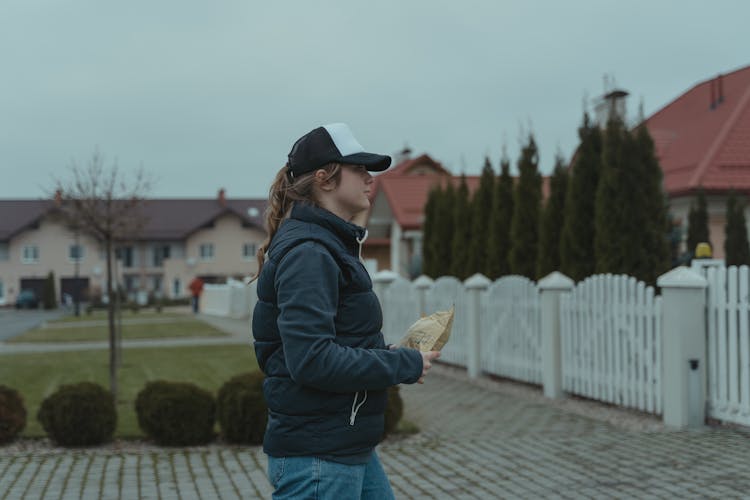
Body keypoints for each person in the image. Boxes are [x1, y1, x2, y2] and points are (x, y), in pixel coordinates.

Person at [251, 123, 440, 499]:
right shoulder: (309, 252)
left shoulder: (326, 245)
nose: (370, 178)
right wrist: (401, 365)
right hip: (319, 457)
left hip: (342, 446)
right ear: (324, 179)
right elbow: (312, 360)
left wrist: (389, 356)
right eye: (358, 169)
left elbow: (333, 343)